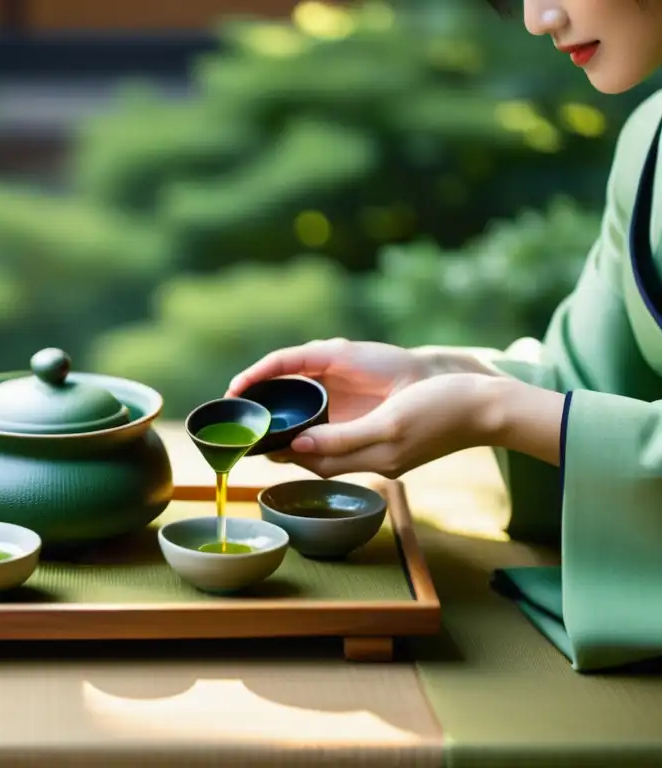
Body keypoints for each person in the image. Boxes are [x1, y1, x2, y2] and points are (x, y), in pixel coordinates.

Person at [226, 0, 662, 673]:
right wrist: (430, 376)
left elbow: (564, 415)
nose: (537, 17)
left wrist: (492, 411)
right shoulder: (649, 139)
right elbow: (592, 384)